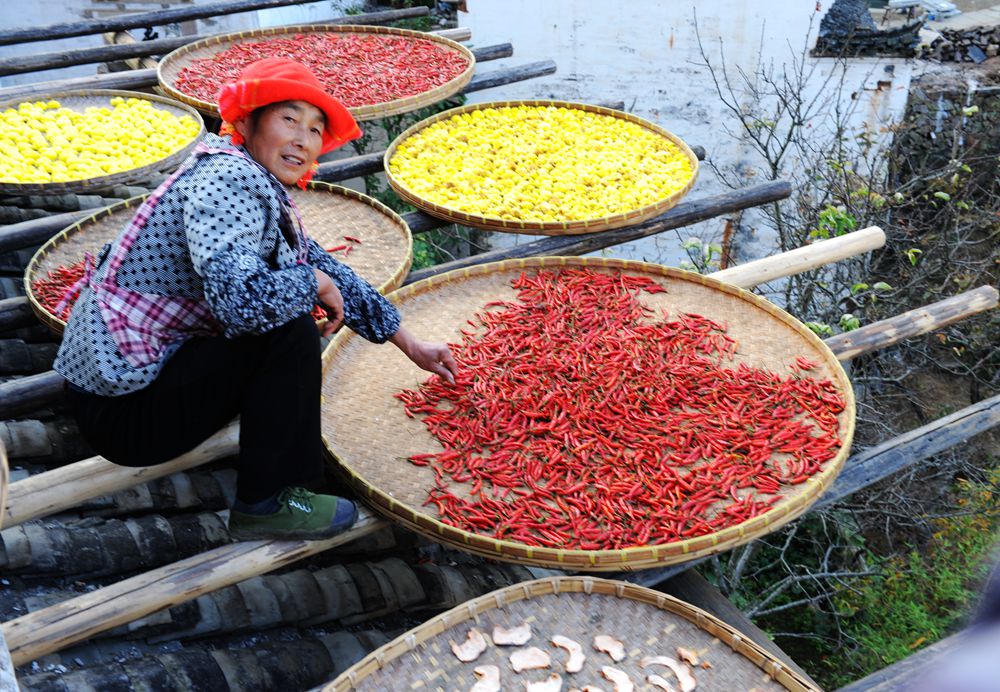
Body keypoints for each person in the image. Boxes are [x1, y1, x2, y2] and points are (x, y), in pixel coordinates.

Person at [53, 58, 458, 541]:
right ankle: (266, 501)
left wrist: (410, 343)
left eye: (314, 129)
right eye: (288, 119)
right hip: (124, 414)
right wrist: (311, 285)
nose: (303, 139)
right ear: (245, 122)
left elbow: (328, 270)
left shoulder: (246, 177)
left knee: (293, 301)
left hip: (135, 389)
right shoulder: (228, 180)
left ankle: (277, 479)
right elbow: (240, 303)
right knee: (288, 329)